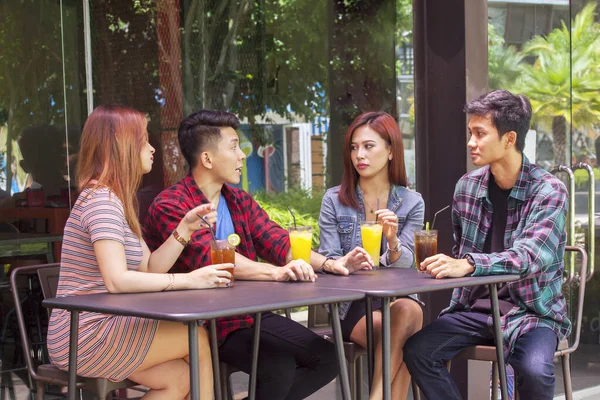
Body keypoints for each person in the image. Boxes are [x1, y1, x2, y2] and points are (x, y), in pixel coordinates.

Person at [144, 110, 372, 400]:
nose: (242, 156)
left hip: (250, 316)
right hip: (204, 324)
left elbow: (279, 242)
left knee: (327, 357)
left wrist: (330, 263)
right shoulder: (172, 205)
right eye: (234, 146)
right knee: (276, 367)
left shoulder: (239, 200)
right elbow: (215, 259)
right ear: (207, 159)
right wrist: (274, 272)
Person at [47, 105, 234, 400]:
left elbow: (150, 268)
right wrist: (189, 280)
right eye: (144, 140)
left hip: (105, 324)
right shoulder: (101, 202)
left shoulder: (116, 200)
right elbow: (118, 280)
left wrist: (184, 229)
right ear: (122, 147)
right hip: (84, 333)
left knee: (181, 380)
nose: (152, 149)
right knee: (195, 337)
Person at [403, 90, 570, 400]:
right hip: (476, 310)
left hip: (531, 313)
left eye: (480, 133)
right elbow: (459, 249)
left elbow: (530, 256)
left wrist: (470, 264)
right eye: (470, 133)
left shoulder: (549, 191)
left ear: (508, 139)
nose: (471, 142)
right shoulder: (467, 187)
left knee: (534, 370)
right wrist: (449, 265)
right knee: (418, 350)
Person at [318, 111, 424, 400]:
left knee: (408, 311)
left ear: (390, 151)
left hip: (398, 299)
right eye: (354, 147)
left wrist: (392, 240)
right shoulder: (334, 200)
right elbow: (328, 258)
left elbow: (407, 264)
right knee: (406, 341)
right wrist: (345, 263)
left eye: (368, 146)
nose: (359, 155)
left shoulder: (411, 202)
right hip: (352, 303)